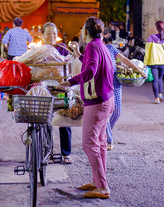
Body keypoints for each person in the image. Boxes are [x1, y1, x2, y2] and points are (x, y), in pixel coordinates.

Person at [58, 17, 114, 199]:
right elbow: (92, 64)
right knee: (99, 143)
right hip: (106, 100)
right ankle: (98, 181)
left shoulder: (92, 46)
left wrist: (69, 82)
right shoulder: (100, 45)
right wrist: (79, 55)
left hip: (97, 102)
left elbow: (91, 71)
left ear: (85, 32)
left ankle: (103, 187)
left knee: (89, 143)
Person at [103, 37, 146, 151]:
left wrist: (139, 70)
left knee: (117, 111)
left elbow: (124, 59)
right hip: (103, 84)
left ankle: (106, 132)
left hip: (116, 83)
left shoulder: (111, 48)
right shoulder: (94, 51)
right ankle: (108, 139)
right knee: (106, 113)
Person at [41, 22, 73, 164]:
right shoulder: (39, 50)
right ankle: (48, 153)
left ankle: (66, 153)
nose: (52, 36)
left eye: (54, 33)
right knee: (46, 120)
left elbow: (70, 67)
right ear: (42, 36)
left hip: (60, 88)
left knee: (64, 119)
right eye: (48, 33)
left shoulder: (63, 48)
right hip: (44, 88)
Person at [144, 20, 164, 104]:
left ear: (156, 28)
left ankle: (157, 98)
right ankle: (160, 93)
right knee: (160, 78)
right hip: (163, 64)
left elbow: (147, 53)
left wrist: (145, 63)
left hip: (153, 63)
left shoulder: (150, 38)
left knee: (155, 80)